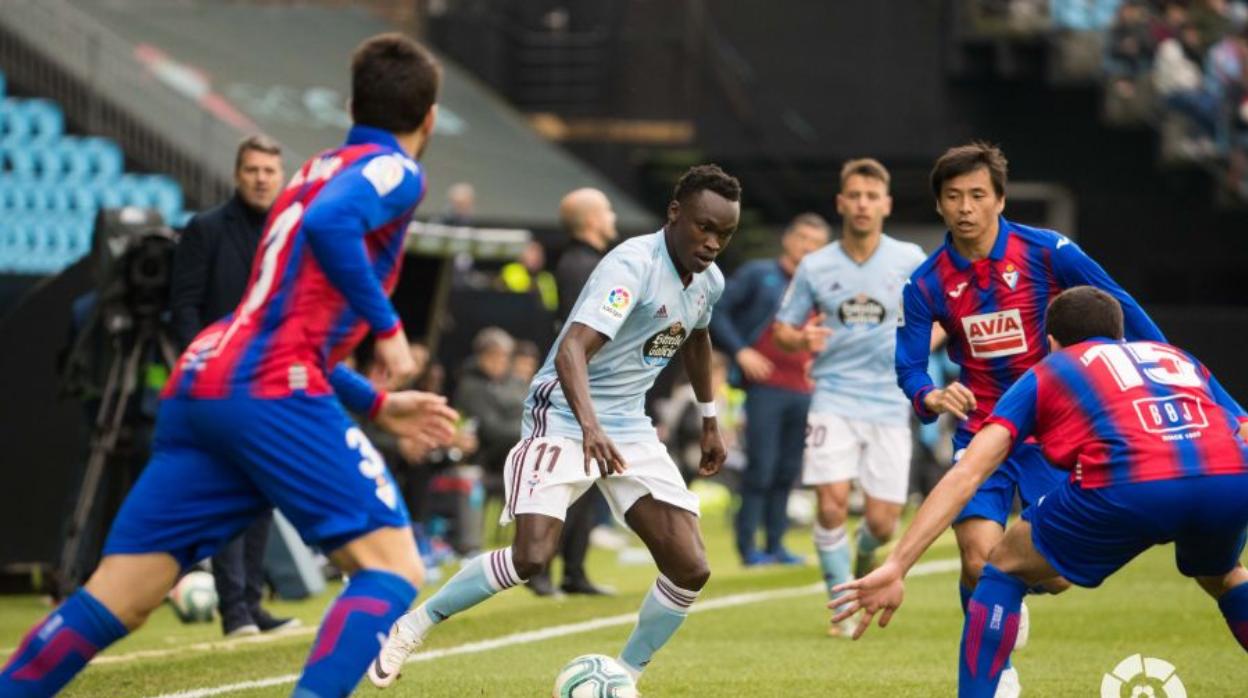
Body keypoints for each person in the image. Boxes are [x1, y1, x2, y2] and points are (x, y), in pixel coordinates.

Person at [0, 34, 459, 698]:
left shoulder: (314, 167)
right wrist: (389, 331)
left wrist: (379, 403)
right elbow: (333, 227)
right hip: (267, 386)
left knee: (121, 595)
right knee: (392, 566)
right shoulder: (395, 169)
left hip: (209, 376)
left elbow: (283, 321)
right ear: (430, 117)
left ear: (353, 104)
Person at [370, 164, 741, 690]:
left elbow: (698, 337)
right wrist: (589, 427)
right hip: (563, 415)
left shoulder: (710, 281)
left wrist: (709, 419)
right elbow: (571, 349)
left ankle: (624, 676)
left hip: (627, 425)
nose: (712, 243)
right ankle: (414, 623)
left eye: (724, 234)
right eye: (704, 226)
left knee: (691, 568)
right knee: (531, 558)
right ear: (675, 213)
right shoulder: (631, 266)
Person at [834, 286, 1248, 697]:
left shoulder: (1051, 369)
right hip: (1231, 478)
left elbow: (968, 473)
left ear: (1051, 342)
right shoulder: (1176, 356)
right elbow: (1242, 427)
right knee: (1224, 575)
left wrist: (898, 565)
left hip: (1131, 482)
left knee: (1002, 566)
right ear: (1122, 335)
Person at [894, 142, 1167, 694]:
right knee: (976, 561)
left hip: (1053, 433)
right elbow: (908, 363)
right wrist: (930, 396)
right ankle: (998, 671)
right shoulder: (925, 282)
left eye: (977, 194)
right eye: (953, 197)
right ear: (940, 206)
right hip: (983, 433)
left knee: (1060, 576)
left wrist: (1161, 366)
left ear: (998, 199)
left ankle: (1013, 596)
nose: (966, 207)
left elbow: (1120, 305)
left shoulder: (1048, 252)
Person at [772, 159, 927, 634]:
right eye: (854, 195)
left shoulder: (910, 258)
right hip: (833, 396)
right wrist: (799, 341)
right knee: (830, 504)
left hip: (888, 399)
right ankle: (842, 608)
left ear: (886, 204)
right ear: (841, 203)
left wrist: (919, 348)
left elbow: (940, 316)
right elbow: (782, 328)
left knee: (882, 523)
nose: (862, 204)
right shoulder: (817, 266)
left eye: (871, 196)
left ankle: (863, 555)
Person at [169, 134, 297, 637]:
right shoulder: (205, 229)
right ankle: (234, 611)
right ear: (237, 174)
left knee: (260, 496)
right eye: (253, 170)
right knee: (226, 494)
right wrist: (200, 368)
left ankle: (251, 603)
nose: (262, 178)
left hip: (272, 381)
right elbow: (183, 307)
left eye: (270, 169)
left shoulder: (290, 231)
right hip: (219, 384)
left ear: (281, 175)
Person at [709, 213, 829, 565]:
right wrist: (741, 351)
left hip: (804, 390)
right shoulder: (758, 274)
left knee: (787, 470)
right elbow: (718, 312)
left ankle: (776, 545)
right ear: (788, 239)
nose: (808, 247)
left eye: (817, 244)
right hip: (765, 388)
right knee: (760, 467)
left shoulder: (818, 287)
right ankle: (748, 548)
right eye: (804, 238)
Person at [527, 187, 620, 597]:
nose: (613, 217)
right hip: (580, 386)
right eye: (607, 210)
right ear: (592, 220)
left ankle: (573, 571)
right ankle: (543, 568)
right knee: (564, 480)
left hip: (590, 384)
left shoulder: (586, 263)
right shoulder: (583, 266)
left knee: (587, 478)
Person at [452, 327, 526, 476]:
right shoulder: (470, 386)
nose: (499, 361)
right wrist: (530, 428)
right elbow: (492, 429)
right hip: (484, 463)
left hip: (513, 460)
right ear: (480, 356)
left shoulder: (515, 383)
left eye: (504, 356)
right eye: (493, 355)